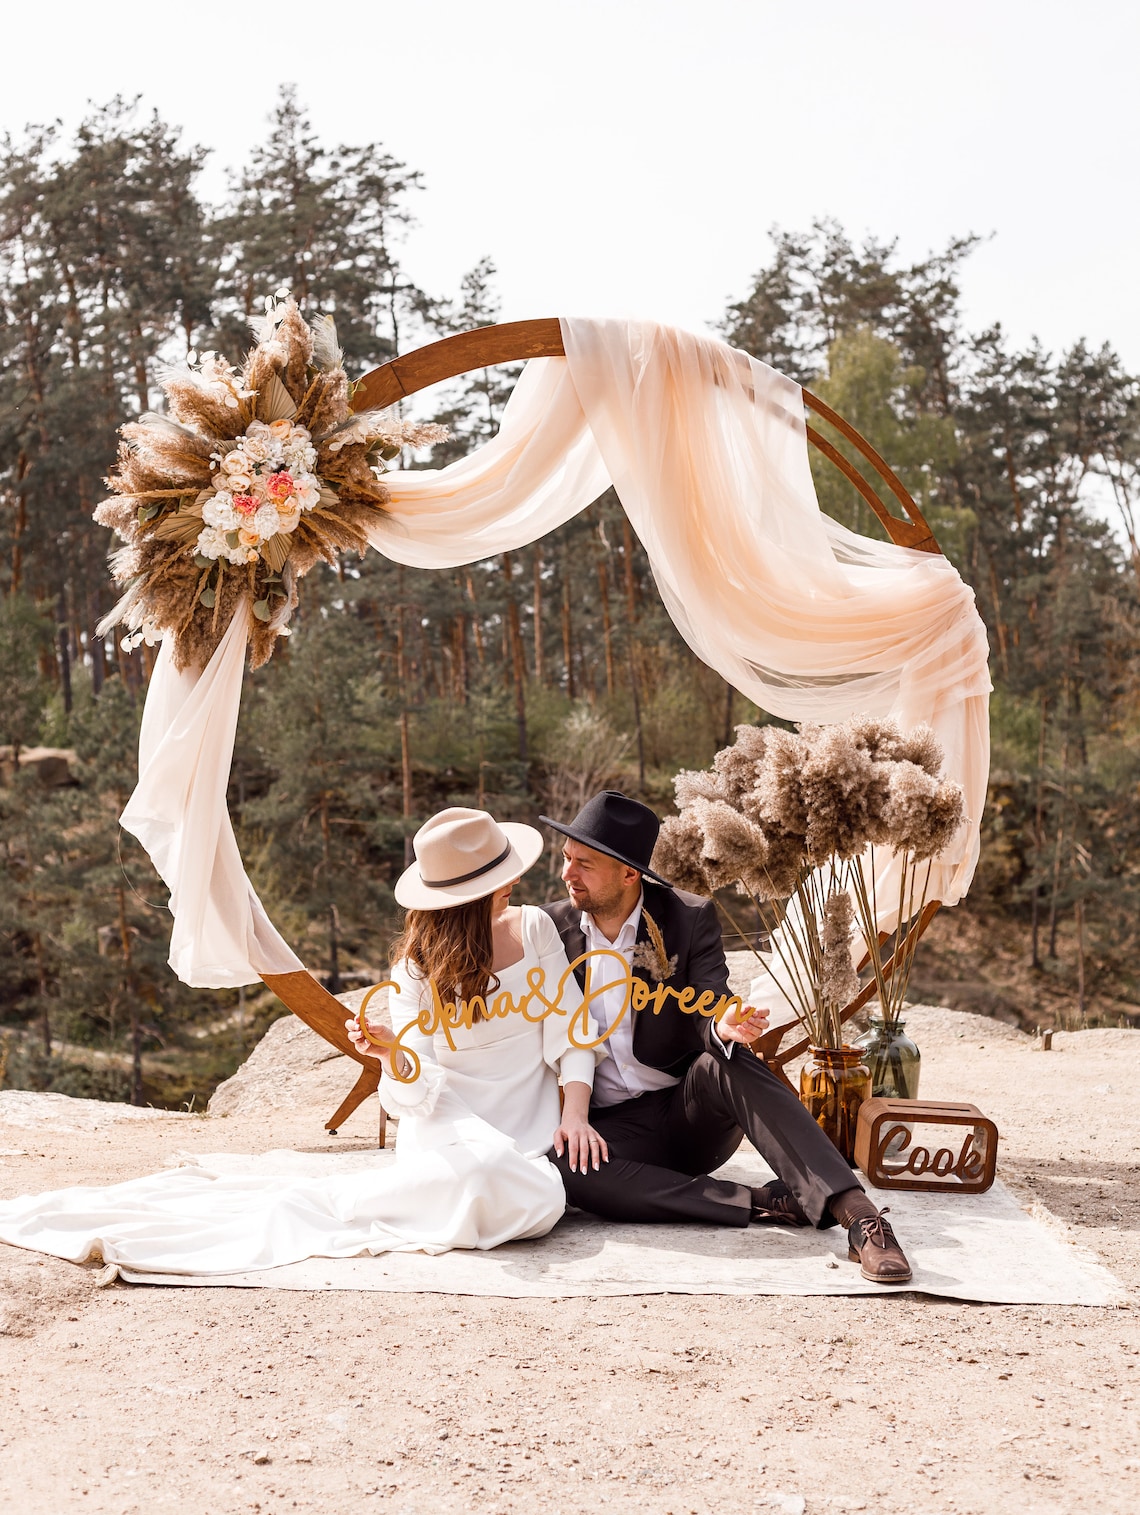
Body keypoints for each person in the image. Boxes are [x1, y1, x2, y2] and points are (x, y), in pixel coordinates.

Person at [0, 809, 604, 1278]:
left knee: (539, 1197)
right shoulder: (415, 971)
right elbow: (412, 1096)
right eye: (502, 880)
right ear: (465, 899)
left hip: (526, 1131)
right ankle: (346, 1202)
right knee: (478, 1172)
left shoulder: (535, 927)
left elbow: (571, 1031)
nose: (519, 883)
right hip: (451, 1123)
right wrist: (393, 1053)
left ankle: (433, 1189)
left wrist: (575, 1113)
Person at [540, 790, 913, 1284]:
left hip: (688, 1114)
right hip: (612, 1133)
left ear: (629, 873)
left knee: (726, 1058)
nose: (567, 874)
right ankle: (763, 1202)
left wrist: (720, 1024)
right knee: (556, 1170)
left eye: (583, 864)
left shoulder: (686, 917)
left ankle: (859, 1216)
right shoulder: (550, 928)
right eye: (567, 860)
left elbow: (710, 999)